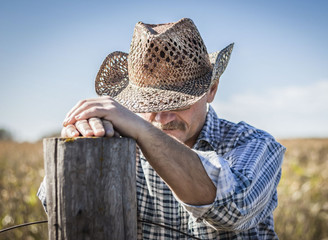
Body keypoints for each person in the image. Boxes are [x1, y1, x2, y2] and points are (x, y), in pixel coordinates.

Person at [38, 18, 285, 239]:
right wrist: (80, 152)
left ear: (212, 90)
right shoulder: (117, 145)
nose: (163, 117)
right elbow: (61, 211)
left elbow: (231, 209)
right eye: (148, 104)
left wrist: (143, 132)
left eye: (180, 101)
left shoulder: (252, 143)